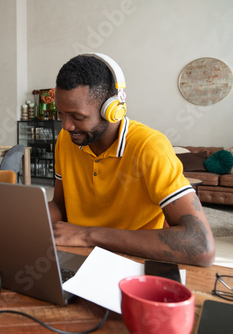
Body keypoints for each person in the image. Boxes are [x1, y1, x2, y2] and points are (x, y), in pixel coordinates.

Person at [49, 53, 215, 267]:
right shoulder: (67, 139)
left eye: (78, 117)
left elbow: (201, 246)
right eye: (61, 114)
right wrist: (24, 217)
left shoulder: (149, 147)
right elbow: (61, 206)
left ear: (112, 110)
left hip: (130, 262)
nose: (66, 126)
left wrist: (88, 234)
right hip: (74, 256)